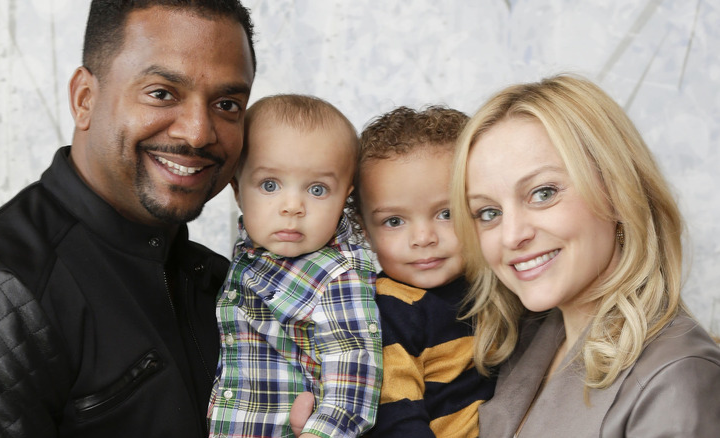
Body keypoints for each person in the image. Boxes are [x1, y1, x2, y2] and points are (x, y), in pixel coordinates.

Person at [0, 1, 256, 436]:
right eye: (162, 93)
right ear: (84, 99)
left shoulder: (224, 280)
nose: (198, 132)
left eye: (226, 103)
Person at [451, 74, 720, 437]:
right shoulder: (526, 340)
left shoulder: (676, 376)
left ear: (619, 193)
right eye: (488, 213)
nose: (512, 236)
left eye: (543, 193)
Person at [208, 94, 383, 438]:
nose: (292, 206)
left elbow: (354, 371)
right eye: (270, 185)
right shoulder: (249, 253)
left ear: (344, 197)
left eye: (317, 189)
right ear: (237, 190)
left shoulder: (339, 275)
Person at [347, 106, 495, 437]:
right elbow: (396, 416)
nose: (423, 238)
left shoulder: (493, 280)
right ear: (365, 230)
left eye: (446, 213)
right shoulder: (389, 310)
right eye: (394, 221)